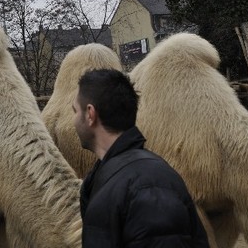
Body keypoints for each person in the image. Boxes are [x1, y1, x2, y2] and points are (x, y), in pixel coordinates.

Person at [73, 68, 209, 247]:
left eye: (74, 111)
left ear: (90, 114)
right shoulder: (110, 176)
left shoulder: (148, 187)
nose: (73, 120)